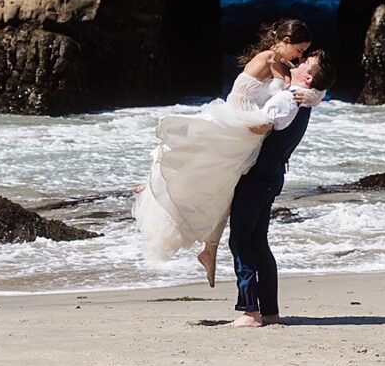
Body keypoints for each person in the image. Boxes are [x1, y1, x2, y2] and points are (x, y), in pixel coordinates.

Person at [132, 20, 321, 287]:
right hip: (235, 125)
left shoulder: (283, 64)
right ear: (285, 41)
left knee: (223, 193)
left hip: (248, 135)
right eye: (299, 50)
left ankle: (209, 251)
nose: (300, 57)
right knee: (197, 166)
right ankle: (153, 186)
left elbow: (302, 87)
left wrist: (314, 96)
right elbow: (283, 93)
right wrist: (299, 95)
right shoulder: (266, 59)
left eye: (304, 53)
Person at [224, 47, 336, 328]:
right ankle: (270, 311)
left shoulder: (288, 99)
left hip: (257, 178)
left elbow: (256, 127)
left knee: (240, 241)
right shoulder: (305, 101)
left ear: (308, 79)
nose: (299, 62)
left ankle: (250, 312)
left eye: (305, 62)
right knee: (258, 241)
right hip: (273, 176)